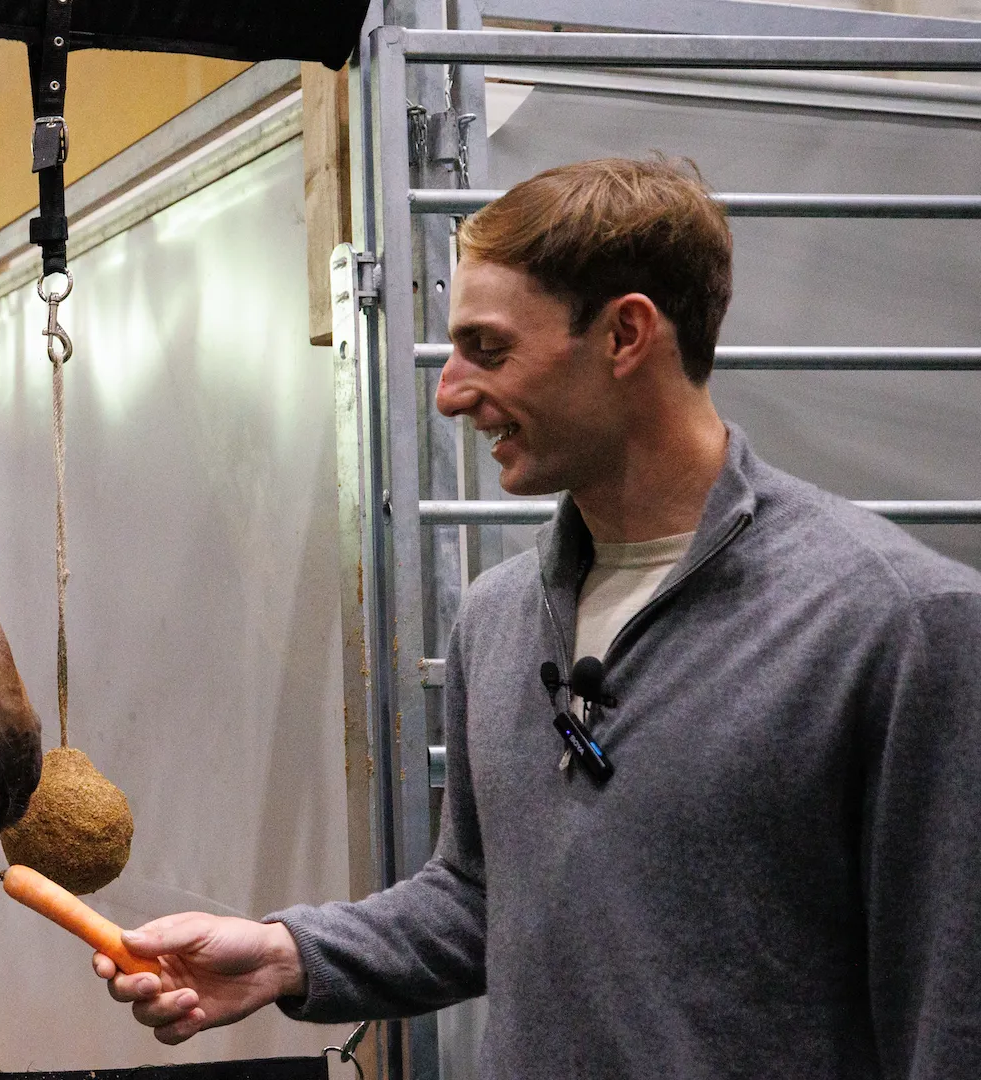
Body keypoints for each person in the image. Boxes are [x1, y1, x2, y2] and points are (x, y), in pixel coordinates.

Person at [92, 158, 981, 1077]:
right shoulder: (499, 618)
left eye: (488, 348)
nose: (450, 393)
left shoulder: (901, 626)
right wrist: (288, 955)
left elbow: (952, 1012)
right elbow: (482, 896)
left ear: (625, 334)